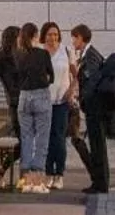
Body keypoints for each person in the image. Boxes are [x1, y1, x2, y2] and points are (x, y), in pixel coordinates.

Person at [68, 24, 109, 195]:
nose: (73, 42)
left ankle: (100, 183)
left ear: (80, 37)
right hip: (94, 107)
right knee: (96, 145)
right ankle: (99, 181)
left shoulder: (90, 56)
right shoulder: (89, 54)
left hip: (94, 108)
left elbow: (92, 80)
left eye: (74, 38)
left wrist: (83, 98)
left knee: (97, 146)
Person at [14, 22, 54, 194]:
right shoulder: (43, 53)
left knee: (27, 138)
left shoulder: (18, 54)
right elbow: (51, 76)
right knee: (42, 138)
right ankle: (37, 181)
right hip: (41, 95)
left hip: (24, 97)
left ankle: (26, 181)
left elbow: (17, 77)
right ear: (36, 36)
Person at [41, 21, 72, 191]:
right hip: (44, 101)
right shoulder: (40, 52)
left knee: (59, 138)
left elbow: (76, 73)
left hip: (61, 102)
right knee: (45, 138)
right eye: (49, 34)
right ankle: (48, 173)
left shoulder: (66, 51)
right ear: (44, 36)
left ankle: (59, 174)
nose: (53, 37)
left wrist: (72, 91)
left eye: (55, 34)